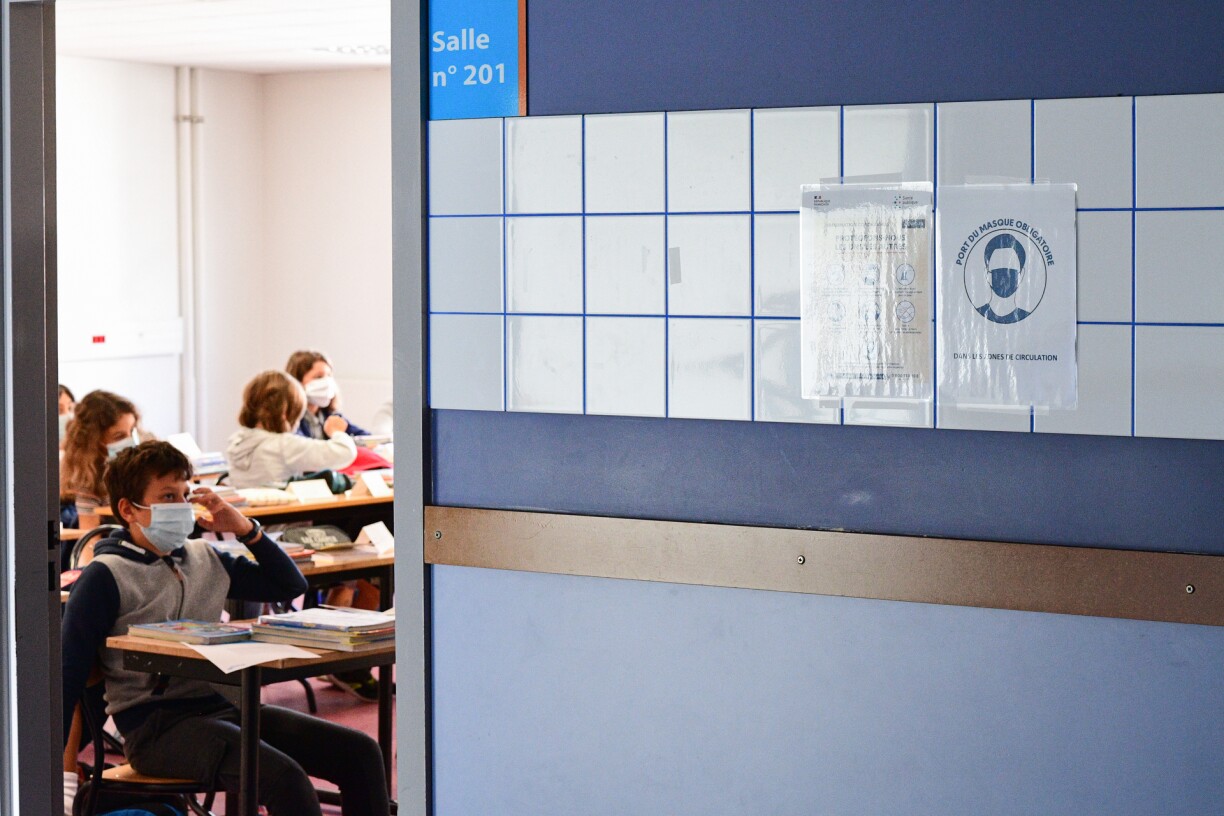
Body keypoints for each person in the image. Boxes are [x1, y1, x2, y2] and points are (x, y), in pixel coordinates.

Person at [61, 441, 389, 816]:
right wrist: (58, 777)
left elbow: (289, 586)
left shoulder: (204, 557)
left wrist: (247, 530)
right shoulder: (105, 576)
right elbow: (68, 674)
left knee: (360, 752)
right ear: (128, 509)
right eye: (168, 496)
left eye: (186, 494)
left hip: (222, 708)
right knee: (285, 780)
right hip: (156, 730)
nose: (182, 506)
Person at [225, 370, 357, 490]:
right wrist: (337, 432)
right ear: (285, 413)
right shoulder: (283, 445)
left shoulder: (237, 441)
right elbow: (345, 452)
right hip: (281, 513)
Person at [60, 390, 141, 533]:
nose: (129, 441)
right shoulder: (89, 483)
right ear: (95, 441)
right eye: (119, 436)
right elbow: (90, 540)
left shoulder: (144, 470)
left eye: (132, 431)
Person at [285, 350, 368, 439]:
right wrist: (338, 436)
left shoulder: (330, 416)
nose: (326, 382)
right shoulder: (290, 420)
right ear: (297, 382)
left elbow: (367, 438)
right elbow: (301, 448)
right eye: (319, 377)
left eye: (329, 376)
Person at [976, 232, 1032, 324]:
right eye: (998, 272)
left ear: (1021, 275)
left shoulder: (1029, 319)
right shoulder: (976, 316)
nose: (1003, 279)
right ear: (987, 275)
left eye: (1011, 272)